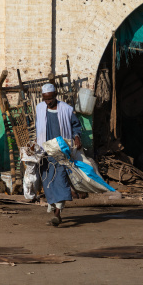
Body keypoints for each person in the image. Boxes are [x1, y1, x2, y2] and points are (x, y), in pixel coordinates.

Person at [36, 83, 82, 226]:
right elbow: (38, 127)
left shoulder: (66, 110)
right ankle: (54, 206)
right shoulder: (40, 108)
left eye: (50, 99)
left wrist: (77, 137)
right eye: (45, 99)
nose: (48, 102)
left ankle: (58, 213)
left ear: (55, 95)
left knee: (61, 179)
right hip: (45, 151)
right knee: (48, 180)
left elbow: (76, 126)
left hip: (62, 150)